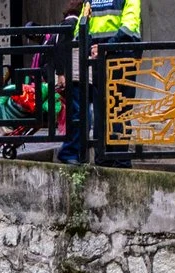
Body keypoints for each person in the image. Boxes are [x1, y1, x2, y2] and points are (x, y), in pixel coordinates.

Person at [53, 0, 141, 164]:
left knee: (103, 110)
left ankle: (103, 159)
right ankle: (118, 160)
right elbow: (129, 25)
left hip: (101, 58)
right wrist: (104, 47)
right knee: (120, 111)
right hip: (122, 56)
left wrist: (94, 48)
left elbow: (82, 28)